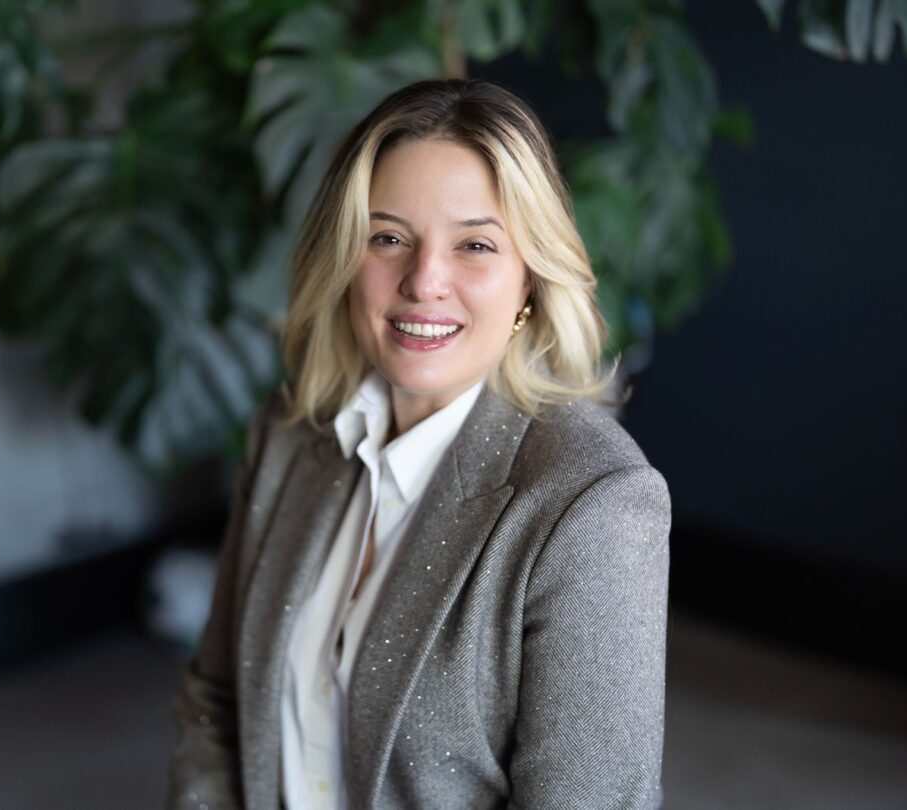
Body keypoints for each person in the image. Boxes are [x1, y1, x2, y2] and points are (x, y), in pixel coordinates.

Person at [167, 78, 671, 809]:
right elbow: (215, 702)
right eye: (388, 238)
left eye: (475, 245)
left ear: (530, 279)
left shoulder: (593, 504)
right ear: (345, 255)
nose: (424, 281)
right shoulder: (290, 432)